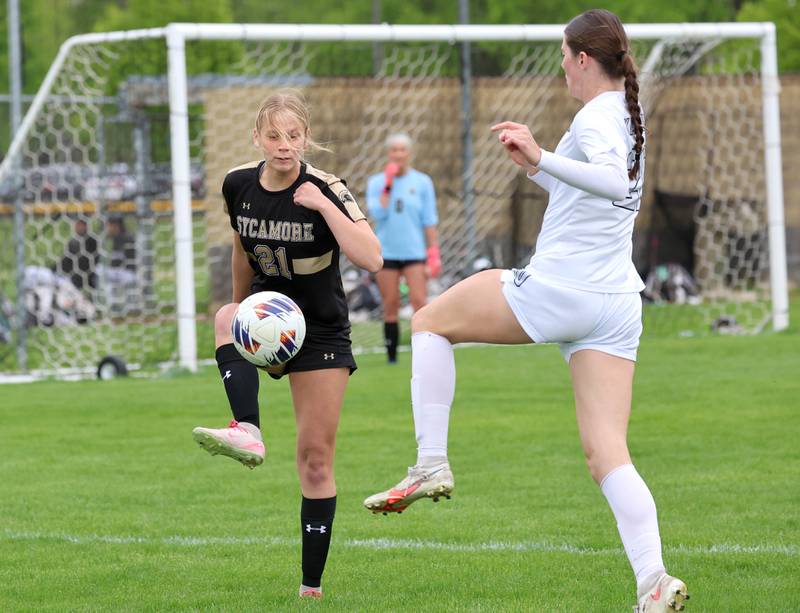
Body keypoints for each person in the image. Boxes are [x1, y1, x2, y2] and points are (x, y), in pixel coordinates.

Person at [364, 10, 688, 613]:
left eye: (565, 55)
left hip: (565, 288)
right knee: (606, 454)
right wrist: (537, 166)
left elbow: (614, 185)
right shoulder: (623, 114)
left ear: (583, 59)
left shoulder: (596, 114)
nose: (562, 65)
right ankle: (654, 583)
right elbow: (590, 193)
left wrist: (542, 153)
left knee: (429, 321)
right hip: (615, 302)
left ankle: (430, 462)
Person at [191, 90, 382, 599]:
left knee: (315, 457)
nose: (283, 146)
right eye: (273, 136)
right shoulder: (237, 183)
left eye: (293, 136)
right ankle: (247, 430)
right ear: (257, 137)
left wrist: (322, 204)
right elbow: (241, 248)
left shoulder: (327, 186)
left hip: (318, 330)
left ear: (306, 137)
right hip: (266, 316)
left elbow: (372, 257)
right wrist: (239, 312)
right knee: (225, 315)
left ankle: (310, 587)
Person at [366, 133, 440, 363]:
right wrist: (388, 185)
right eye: (394, 150)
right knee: (391, 304)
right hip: (386, 253)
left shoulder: (422, 182)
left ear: (409, 153)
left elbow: (429, 219)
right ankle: (392, 357)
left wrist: (433, 253)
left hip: (414, 253)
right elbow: (378, 213)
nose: (398, 154)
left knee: (419, 301)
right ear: (388, 154)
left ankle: (425, 352)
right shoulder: (377, 183)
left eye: (402, 150)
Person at [60, 218, 99, 291]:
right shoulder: (73, 242)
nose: (77, 227)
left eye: (80, 225)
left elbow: (91, 261)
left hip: (89, 275)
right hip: (72, 275)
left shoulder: (92, 241)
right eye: (76, 225)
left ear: (86, 226)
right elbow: (65, 260)